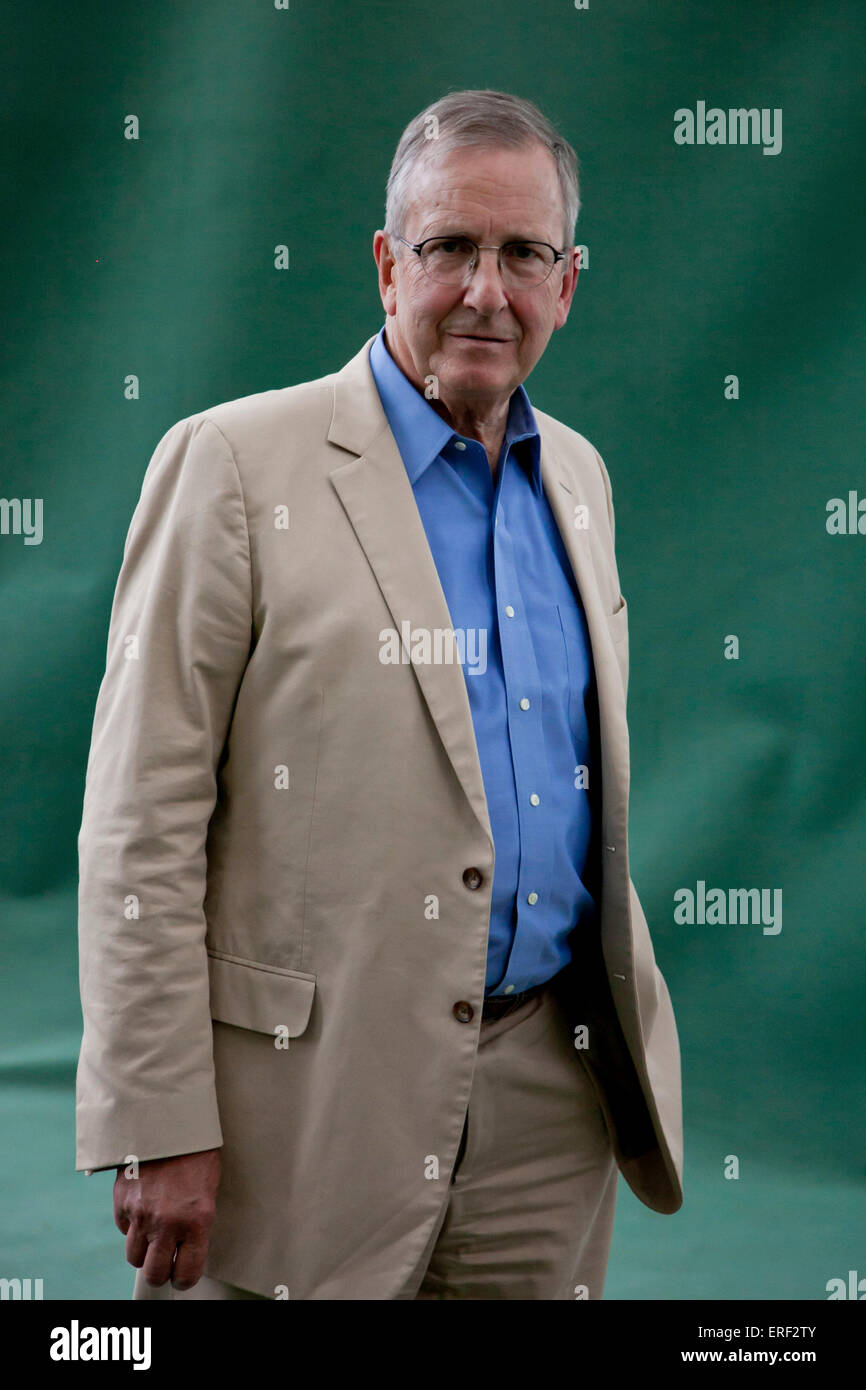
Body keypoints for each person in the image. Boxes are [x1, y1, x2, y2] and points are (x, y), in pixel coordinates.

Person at [75, 88, 683, 1301]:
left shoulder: (581, 480)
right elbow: (138, 822)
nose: (483, 291)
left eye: (523, 255)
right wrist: (155, 1114)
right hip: (297, 1118)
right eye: (449, 246)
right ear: (384, 264)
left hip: (546, 1108)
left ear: (567, 282)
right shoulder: (232, 464)